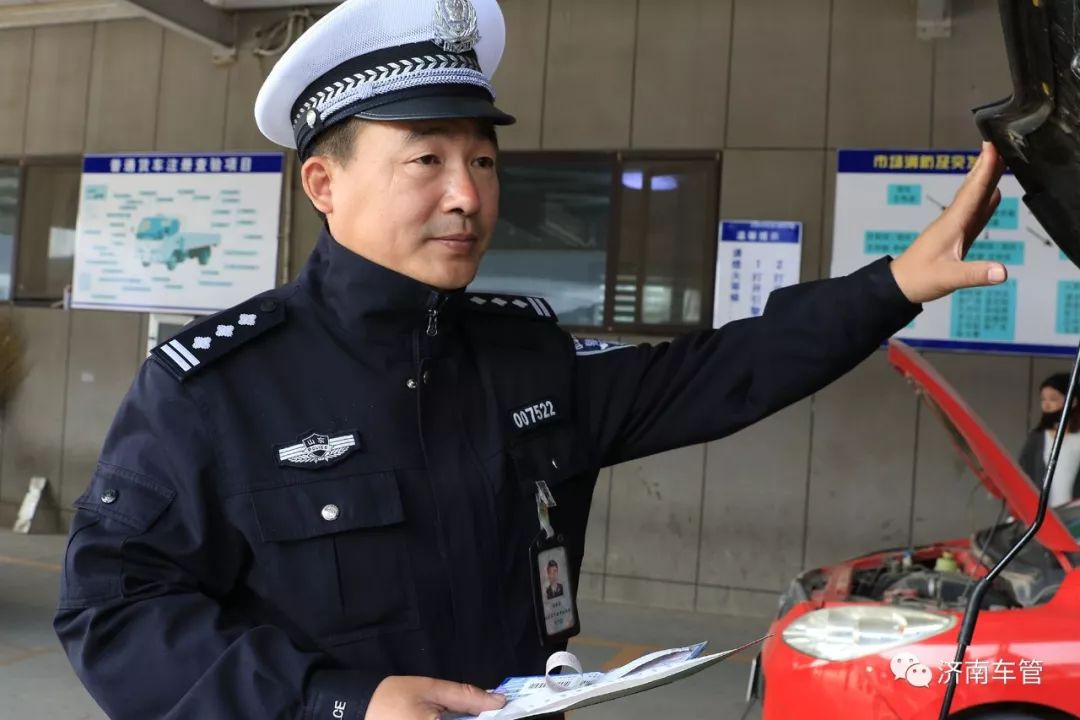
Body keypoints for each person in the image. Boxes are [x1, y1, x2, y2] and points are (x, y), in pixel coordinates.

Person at [53, 0, 1010, 718]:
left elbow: (724, 371)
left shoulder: (524, 360)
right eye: (426, 160)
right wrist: (337, 700)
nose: (467, 195)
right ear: (323, 183)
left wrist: (894, 286)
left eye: (484, 160)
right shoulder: (219, 390)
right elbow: (114, 613)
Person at [1018, 372, 1080, 506]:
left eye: (1053, 399)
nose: (1046, 405)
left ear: (1073, 402)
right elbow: (1022, 475)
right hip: (1043, 516)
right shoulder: (1036, 438)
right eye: (1043, 400)